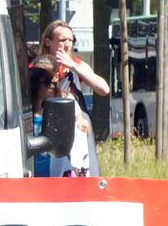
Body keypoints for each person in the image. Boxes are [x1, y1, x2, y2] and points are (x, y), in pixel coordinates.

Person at [28, 21, 108, 176]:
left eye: (70, 40)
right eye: (62, 40)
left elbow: (104, 89)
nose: (67, 45)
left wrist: (73, 65)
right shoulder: (37, 66)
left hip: (75, 127)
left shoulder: (75, 65)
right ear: (48, 42)